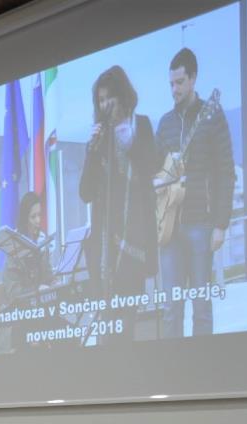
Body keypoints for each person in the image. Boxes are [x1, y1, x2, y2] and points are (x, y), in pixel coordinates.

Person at [156, 47, 235, 338]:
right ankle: (172, 365)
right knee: (170, 310)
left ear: (193, 79)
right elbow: (155, 176)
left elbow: (226, 171)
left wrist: (221, 224)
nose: (174, 89)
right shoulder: (165, 123)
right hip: (169, 229)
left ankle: (202, 364)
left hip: (201, 224)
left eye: (179, 82)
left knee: (201, 309)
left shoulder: (211, 115)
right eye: (171, 84)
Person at [79, 65, 158, 343]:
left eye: (109, 98)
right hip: (105, 247)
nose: (105, 105)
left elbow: (151, 167)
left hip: (133, 243)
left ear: (122, 97)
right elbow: (85, 193)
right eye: (100, 100)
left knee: (126, 325)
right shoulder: (100, 138)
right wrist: (92, 150)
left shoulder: (141, 126)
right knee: (107, 327)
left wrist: (130, 142)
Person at [0, 191, 53, 352]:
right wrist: (37, 290)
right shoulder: (13, 251)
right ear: (24, 219)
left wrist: (42, 253)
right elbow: (14, 293)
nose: (38, 221)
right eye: (33, 217)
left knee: (70, 335)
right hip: (21, 320)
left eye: (39, 215)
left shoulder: (40, 244)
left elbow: (49, 279)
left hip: (42, 315)